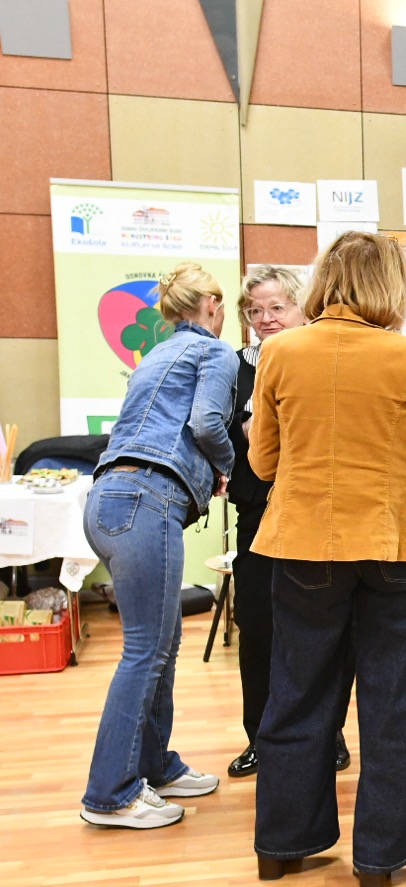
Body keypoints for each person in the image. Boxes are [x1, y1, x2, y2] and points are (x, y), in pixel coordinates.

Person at [249, 231, 406, 887]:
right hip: (395, 543)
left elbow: (262, 462)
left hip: (303, 540)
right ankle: (378, 860)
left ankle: (281, 845)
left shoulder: (280, 351)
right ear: (389, 285)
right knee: (393, 701)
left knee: (297, 693)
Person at [79, 263, 236, 829]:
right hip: (148, 499)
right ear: (212, 305)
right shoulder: (214, 351)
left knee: (160, 644)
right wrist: (229, 468)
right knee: (146, 651)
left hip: (108, 499)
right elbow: (208, 423)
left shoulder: (155, 355)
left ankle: (153, 766)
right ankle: (110, 794)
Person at [225, 267, 353, 779]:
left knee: (324, 629)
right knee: (257, 627)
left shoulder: (324, 359)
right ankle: (260, 736)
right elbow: (224, 433)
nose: (266, 318)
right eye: (255, 310)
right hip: (258, 512)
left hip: (317, 511)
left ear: (303, 308)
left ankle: (329, 732)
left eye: (277, 307)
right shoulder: (234, 367)